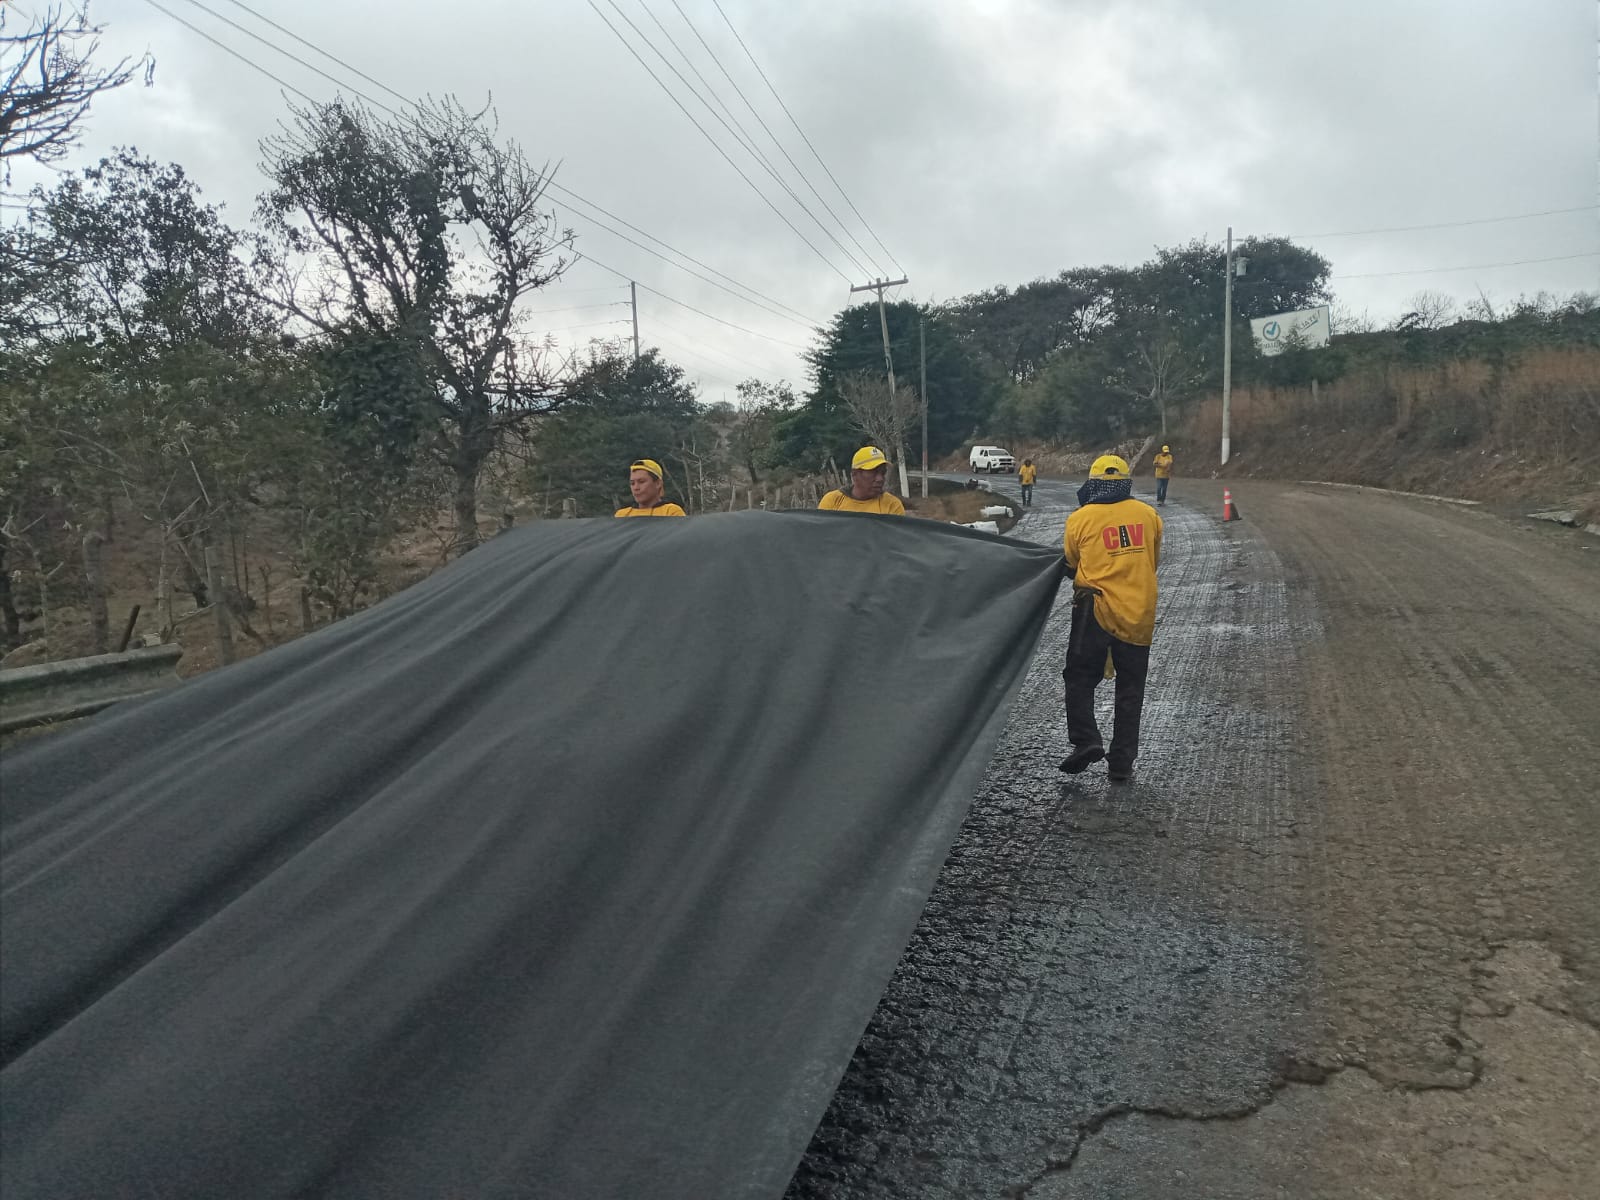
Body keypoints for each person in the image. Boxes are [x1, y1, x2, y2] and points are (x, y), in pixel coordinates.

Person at [1059, 454, 1163, 783]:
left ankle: (1087, 739)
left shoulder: (1081, 519)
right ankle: (1121, 763)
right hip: (1138, 614)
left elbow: (1072, 564)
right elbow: (1152, 561)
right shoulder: (1149, 516)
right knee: (1131, 689)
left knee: (1079, 678)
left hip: (1095, 611)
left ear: (1092, 483)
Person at [818, 446, 906, 515]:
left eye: (883, 473)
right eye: (873, 472)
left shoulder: (892, 505)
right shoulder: (832, 501)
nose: (880, 479)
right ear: (854, 474)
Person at [614, 459, 687, 517]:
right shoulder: (622, 515)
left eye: (641, 482)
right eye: (632, 483)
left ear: (658, 483)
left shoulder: (671, 512)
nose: (636, 488)